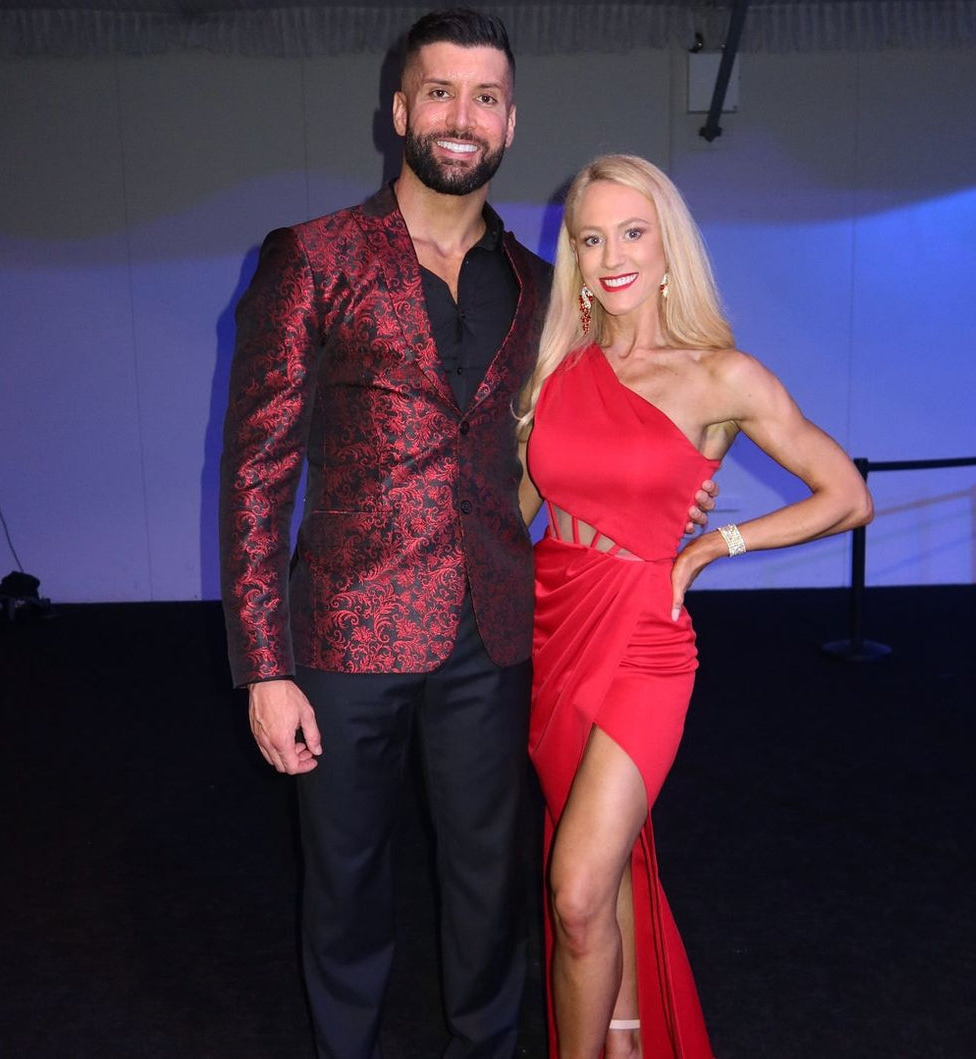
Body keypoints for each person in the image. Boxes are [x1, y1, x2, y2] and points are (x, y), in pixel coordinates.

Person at [221, 10, 716, 1054]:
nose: (460, 116)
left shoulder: (547, 291)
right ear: (399, 110)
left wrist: (667, 496)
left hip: (497, 637)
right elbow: (258, 475)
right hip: (343, 637)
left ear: (510, 121)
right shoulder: (310, 258)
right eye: (438, 92)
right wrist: (264, 668)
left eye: (483, 97)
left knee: (487, 893)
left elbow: (602, 417)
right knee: (345, 890)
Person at [516, 154, 873, 1059]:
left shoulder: (722, 377)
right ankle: (630, 1038)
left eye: (632, 232)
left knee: (577, 887)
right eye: (591, 238)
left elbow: (845, 493)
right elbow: (509, 511)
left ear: (668, 246)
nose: (611, 255)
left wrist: (720, 543)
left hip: (644, 641)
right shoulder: (555, 368)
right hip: (552, 628)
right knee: (608, 866)